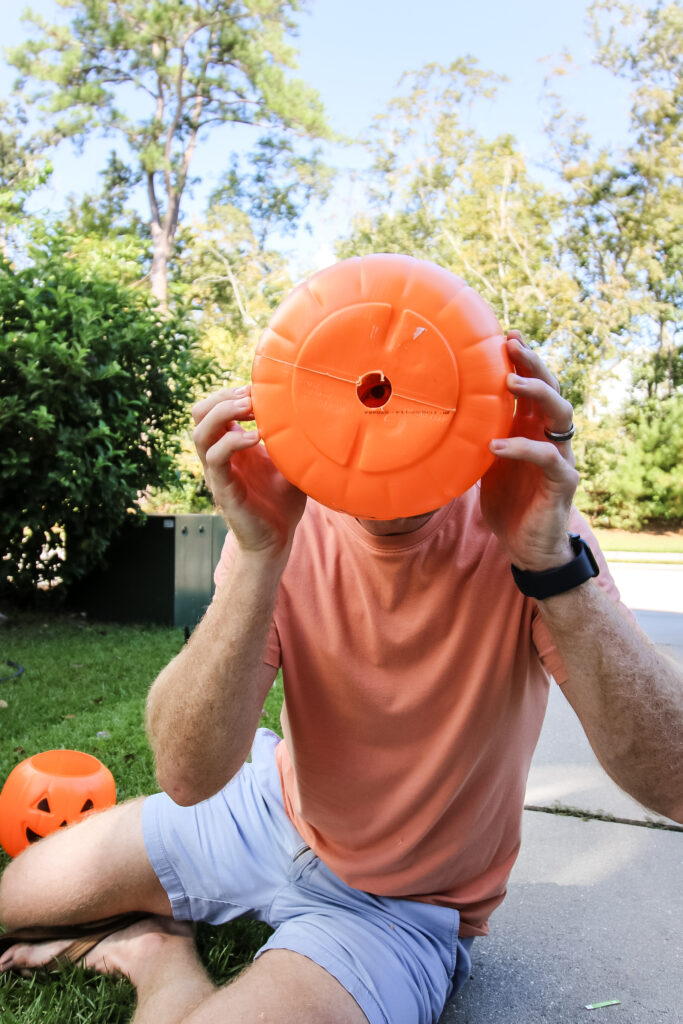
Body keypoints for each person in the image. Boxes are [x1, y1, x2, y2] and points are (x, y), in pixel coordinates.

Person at [0, 331, 681, 1024]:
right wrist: (262, 553)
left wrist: (550, 566)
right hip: (269, 809)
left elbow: (675, 781)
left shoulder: (536, 533)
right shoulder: (282, 518)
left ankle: (157, 956)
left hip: (400, 907)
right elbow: (187, 775)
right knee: (19, 897)